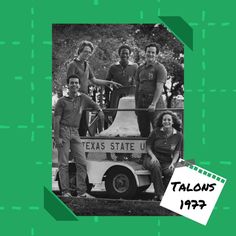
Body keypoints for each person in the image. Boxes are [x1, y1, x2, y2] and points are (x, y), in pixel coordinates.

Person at [54, 74, 104, 198]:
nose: (74, 85)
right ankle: (65, 191)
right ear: (68, 85)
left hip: (75, 132)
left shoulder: (83, 98)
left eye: (76, 83)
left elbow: (95, 105)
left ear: (79, 85)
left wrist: (100, 111)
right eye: (72, 83)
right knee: (64, 163)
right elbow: (56, 120)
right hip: (63, 131)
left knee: (82, 162)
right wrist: (57, 137)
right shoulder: (61, 101)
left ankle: (81, 192)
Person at [67, 40, 122, 136]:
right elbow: (70, 84)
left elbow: (94, 80)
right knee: (76, 127)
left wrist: (109, 82)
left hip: (84, 98)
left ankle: (82, 147)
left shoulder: (87, 65)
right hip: (75, 99)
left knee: (84, 127)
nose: (87, 54)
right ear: (80, 51)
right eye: (85, 51)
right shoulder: (72, 65)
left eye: (89, 52)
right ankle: (74, 149)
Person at [143, 111, 183, 201]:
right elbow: (148, 146)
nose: (166, 121)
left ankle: (165, 193)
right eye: (164, 120)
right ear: (162, 122)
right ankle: (160, 194)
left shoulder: (178, 135)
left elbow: (177, 152)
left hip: (166, 160)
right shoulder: (156, 132)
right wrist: (153, 156)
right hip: (151, 158)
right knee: (156, 166)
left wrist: (173, 163)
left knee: (170, 171)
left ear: (173, 122)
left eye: (169, 120)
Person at [135, 43, 167, 138]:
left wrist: (153, 104)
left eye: (153, 52)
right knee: (143, 131)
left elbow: (159, 87)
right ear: (145, 53)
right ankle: (145, 153)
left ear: (156, 54)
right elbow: (137, 87)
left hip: (155, 103)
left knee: (159, 131)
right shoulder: (140, 68)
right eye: (148, 52)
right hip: (141, 103)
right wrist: (136, 105)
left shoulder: (160, 68)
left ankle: (160, 153)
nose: (150, 54)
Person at [105, 44, 138, 111]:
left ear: (129, 55)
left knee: (129, 115)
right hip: (116, 96)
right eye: (123, 53)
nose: (125, 55)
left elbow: (138, 82)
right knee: (115, 116)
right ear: (119, 54)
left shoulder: (134, 67)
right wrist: (107, 99)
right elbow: (107, 84)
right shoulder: (113, 67)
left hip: (129, 96)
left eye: (127, 53)